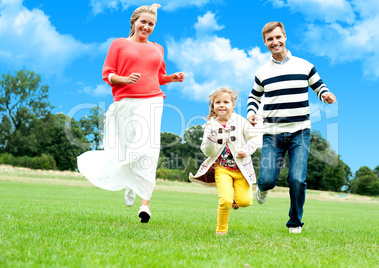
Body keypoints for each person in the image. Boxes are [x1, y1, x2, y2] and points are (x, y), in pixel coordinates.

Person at [77, 3, 185, 223]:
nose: (147, 26)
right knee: (124, 151)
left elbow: (157, 77)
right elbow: (107, 74)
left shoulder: (158, 48)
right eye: (143, 22)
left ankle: (145, 204)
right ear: (134, 22)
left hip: (152, 102)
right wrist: (124, 79)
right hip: (125, 102)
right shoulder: (119, 44)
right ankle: (129, 184)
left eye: (151, 24)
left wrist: (171, 78)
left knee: (148, 150)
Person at [247, 21, 337, 234]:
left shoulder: (304, 65)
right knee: (268, 179)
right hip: (272, 134)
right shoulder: (262, 72)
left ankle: (295, 223)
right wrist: (251, 112)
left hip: (300, 132)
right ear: (265, 42)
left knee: (297, 178)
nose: (275, 42)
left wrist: (325, 95)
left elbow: (319, 86)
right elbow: (254, 96)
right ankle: (262, 188)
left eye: (278, 37)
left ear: (285, 37)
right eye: (270, 39)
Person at [189, 87, 259, 236]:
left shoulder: (241, 121)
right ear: (213, 105)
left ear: (233, 105)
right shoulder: (210, 126)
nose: (222, 105)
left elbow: (256, 139)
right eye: (217, 102)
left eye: (226, 102)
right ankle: (221, 230)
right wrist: (210, 139)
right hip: (222, 169)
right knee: (225, 200)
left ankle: (236, 198)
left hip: (242, 169)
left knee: (244, 202)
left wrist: (245, 150)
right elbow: (206, 151)